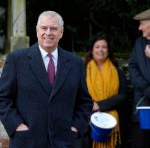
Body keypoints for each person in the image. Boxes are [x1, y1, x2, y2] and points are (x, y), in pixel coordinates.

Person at [0, 10, 92, 148]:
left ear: (61, 33)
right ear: (37, 31)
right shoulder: (17, 60)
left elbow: (85, 101)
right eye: (44, 28)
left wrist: (76, 127)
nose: (48, 32)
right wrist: (16, 125)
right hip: (26, 142)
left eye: (54, 28)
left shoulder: (75, 63)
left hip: (64, 142)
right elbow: (3, 98)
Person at [85, 36, 126, 148]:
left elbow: (122, 96)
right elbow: (77, 94)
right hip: (89, 120)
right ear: (92, 50)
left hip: (112, 120)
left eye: (104, 47)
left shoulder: (117, 71)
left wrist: (99, 105)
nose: (101, 50)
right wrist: (90, 104)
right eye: (97, 47)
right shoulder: (83, 70)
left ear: (108, 51)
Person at [129, 8, 150, 148]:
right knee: (140, 142)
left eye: (142, 23)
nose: (140, 27)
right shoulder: (139, 43)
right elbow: (132, 67)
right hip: (143, 104)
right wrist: (146, 88)